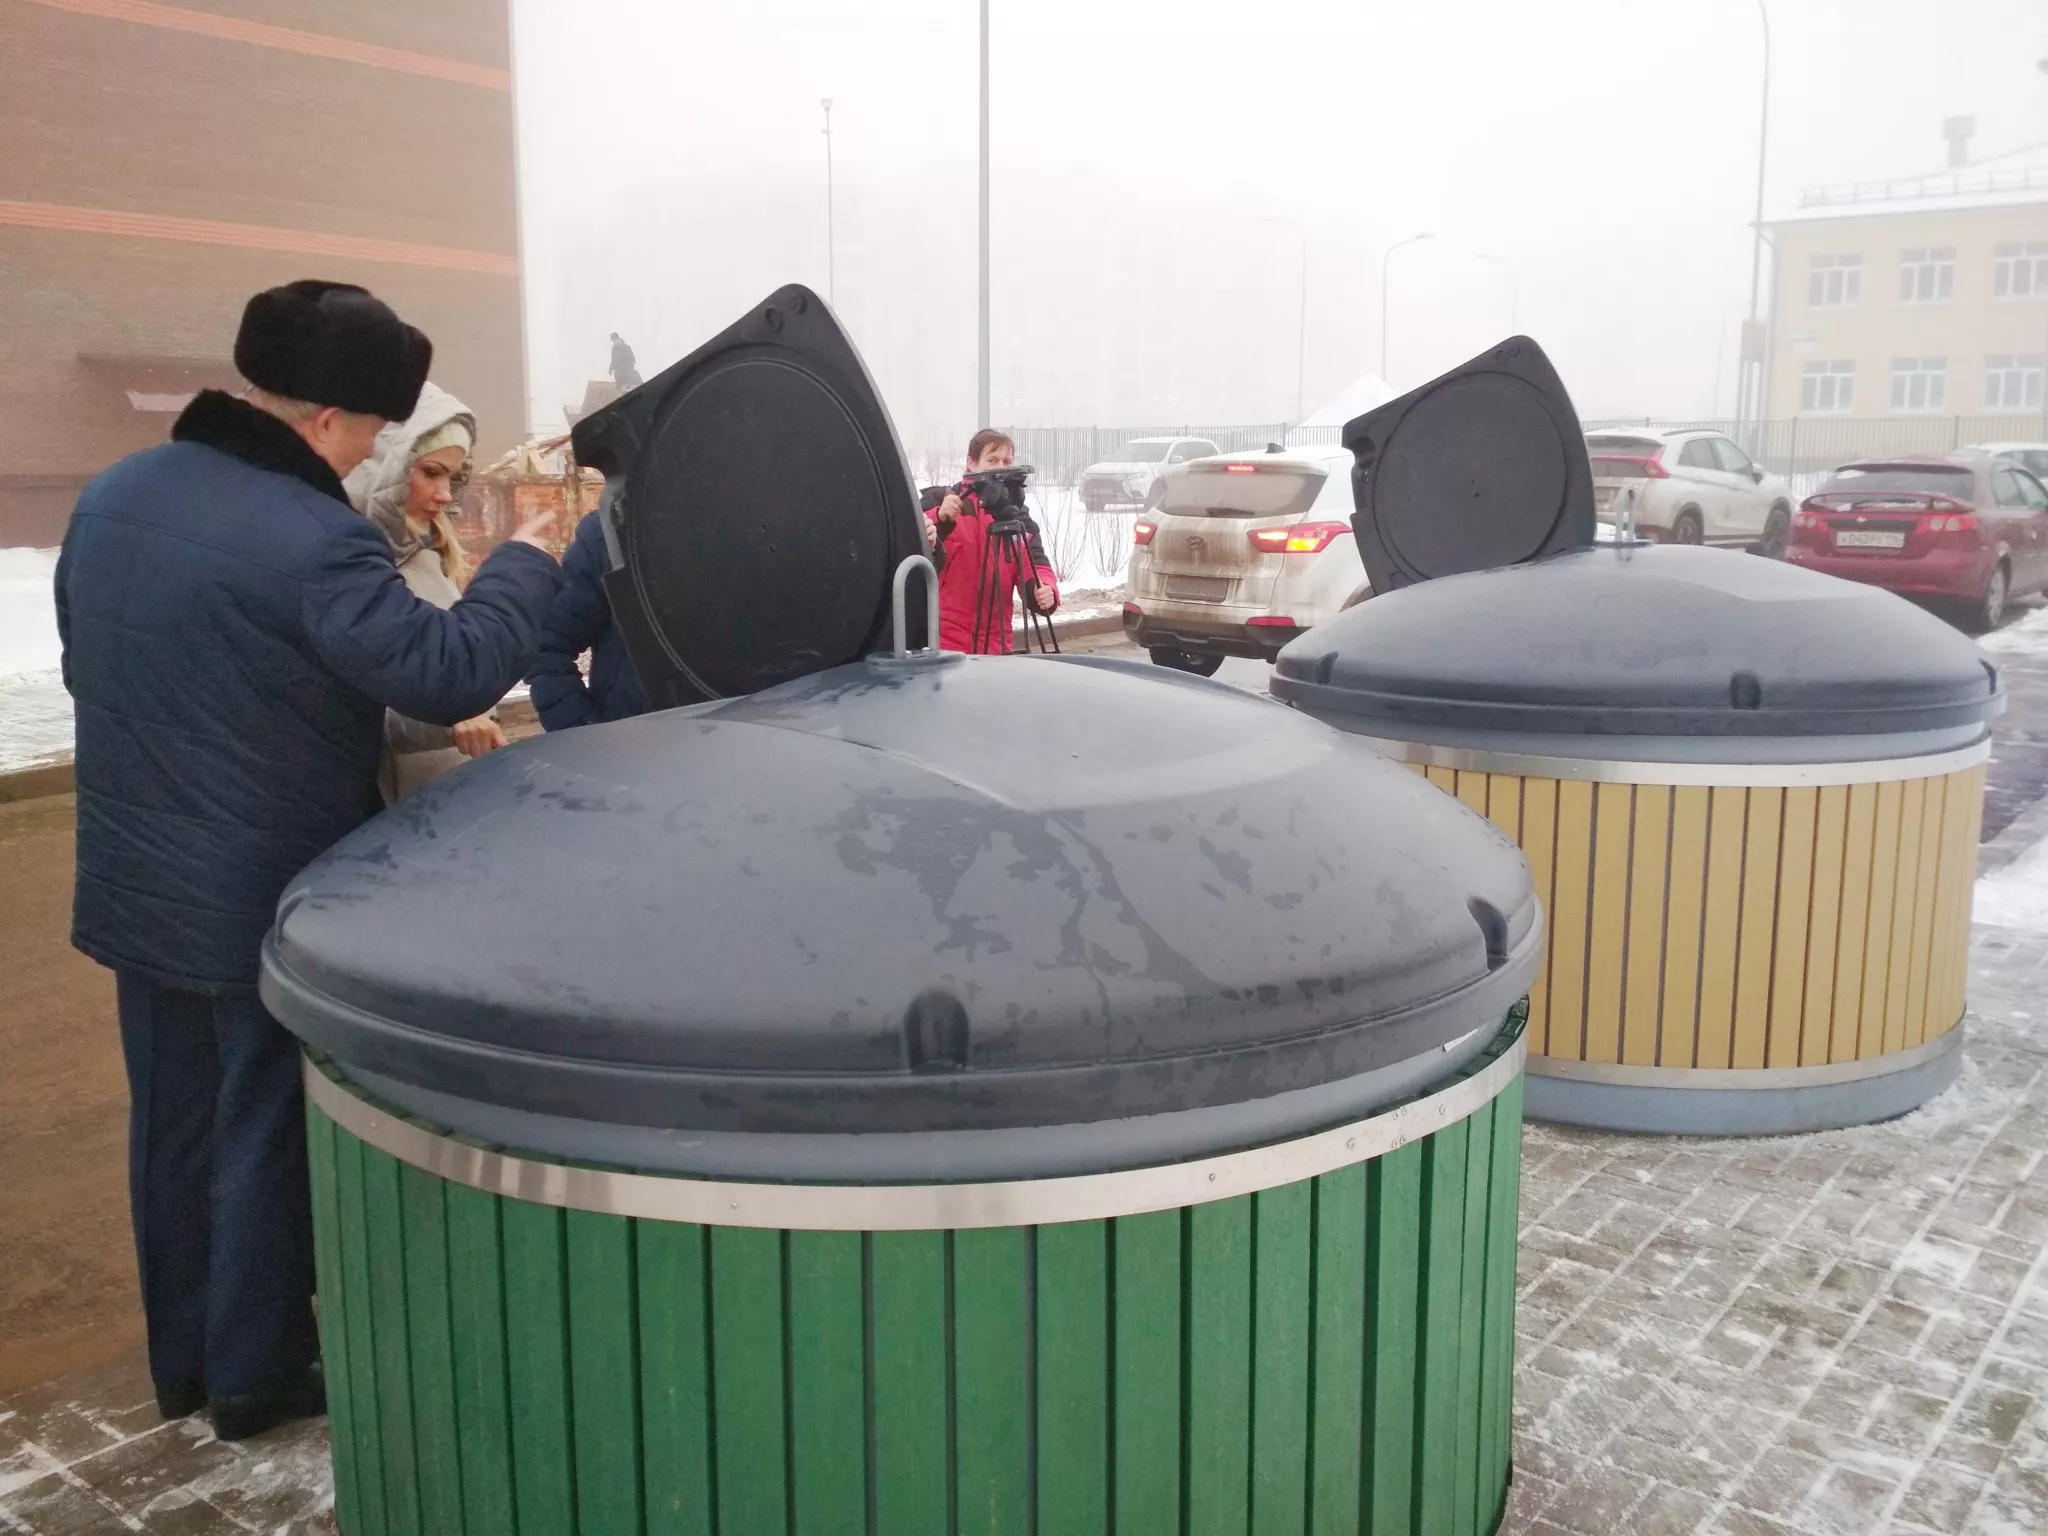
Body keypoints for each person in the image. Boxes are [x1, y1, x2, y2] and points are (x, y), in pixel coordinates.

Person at [55, 280, 564, 1442]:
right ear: (328, 417)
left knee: (173, 1125)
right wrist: (522, 567)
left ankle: (186, 1361)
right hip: (252, 892)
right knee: (260, 1129)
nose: (370, 455)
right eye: (373, 434)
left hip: (136, 878)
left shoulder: (118, 494)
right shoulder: (311, 538)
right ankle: (256, 1372)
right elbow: (445, 670)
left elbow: (92, 660)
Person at [342, 382, 507, 797]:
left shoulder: (428, 556)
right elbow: (341, 708)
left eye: (453, 477)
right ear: (383, 466)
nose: (445, 495)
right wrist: (449, 719)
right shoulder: (339, 569)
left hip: (442, 805)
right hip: (384, 815)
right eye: (432, 472)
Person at [926, 429, 1060, 654]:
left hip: (996, 648)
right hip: (945, 646)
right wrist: (938, 517)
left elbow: (1033, 563)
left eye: (1006, 461)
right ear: (971, 463)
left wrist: (1045, 589)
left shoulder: (1018, 516)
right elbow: (913, 552)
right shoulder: (941, 502)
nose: (1000, 467)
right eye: (992, 460)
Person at [526, 492, 651, 730]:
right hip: (631, 743)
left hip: (725, 742)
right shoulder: (610, 532)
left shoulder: (732, 528)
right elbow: (547, 646)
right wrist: (581, 728)